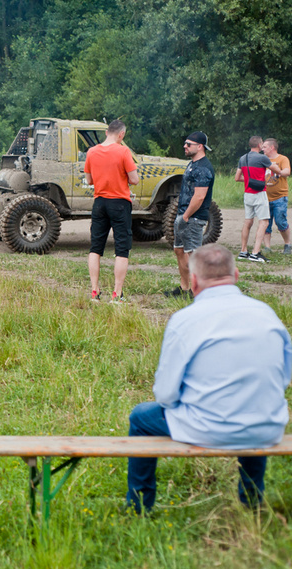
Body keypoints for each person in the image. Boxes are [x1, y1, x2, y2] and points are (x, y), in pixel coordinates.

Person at [126, 244, 292, 514]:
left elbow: (165, 394)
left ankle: (139, 505)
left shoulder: (185, 320)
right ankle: (252, 500)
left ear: (193, 281)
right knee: (254, 400)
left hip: (208, 427)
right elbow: (283, 377)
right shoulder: (268, 315)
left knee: (141, 417)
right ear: (236, 274)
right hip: (266, 427)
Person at [84, 119, 139, 303]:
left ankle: (94, 291)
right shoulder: (123, 151)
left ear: (107, 132)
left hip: (99, 202)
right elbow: (135, 179)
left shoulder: (92, 152)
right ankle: (117, 294)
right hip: (119, 203)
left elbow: (89, 180)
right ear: (121, 135)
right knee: (122, 249)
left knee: (95, 248)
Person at [164, 132, 215, 298]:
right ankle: (184, 288)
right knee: (179, 250)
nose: (185, 146)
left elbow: (199, 197)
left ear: (200, 146)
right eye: (185, 144)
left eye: (188, 144)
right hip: (183, 216)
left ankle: (198, 291)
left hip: (193, 218)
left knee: (193, 254)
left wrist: (185, 216)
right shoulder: (192, 164)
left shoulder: (204, 168)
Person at [235, 136, 282, 263]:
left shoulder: (242, 158)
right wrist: (278, 169)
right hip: (259, 193)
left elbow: (237, 177)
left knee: (248, 221)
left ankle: (243, 251)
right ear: (259, 145)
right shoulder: (262, 158)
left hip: (247, 194)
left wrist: (249, 180)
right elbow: (277, 170)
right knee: (264, 222)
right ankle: (255, 253)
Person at [261, 138, 292, 254]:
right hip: (265, 197)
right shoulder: (263, 160)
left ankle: (288, 244)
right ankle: (267, 248)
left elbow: (287, 172)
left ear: (272, 147)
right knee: (266, 223)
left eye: (264, 147)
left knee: (280, 221)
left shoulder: (282, 159)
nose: (262, 149)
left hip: (280, 197)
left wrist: (277, 172)